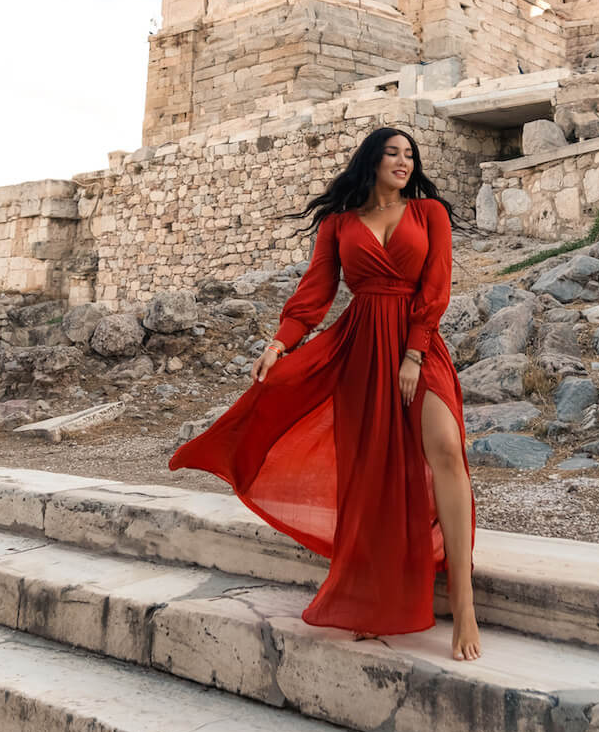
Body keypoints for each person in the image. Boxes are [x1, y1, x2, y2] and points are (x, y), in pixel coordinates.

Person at [168, 126, 481, 661]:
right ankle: (370, 600)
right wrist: (280, 342)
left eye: (410, 155)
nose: (404, 162)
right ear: (372, 161)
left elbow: (437, 287)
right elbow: (315, 291)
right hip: (360, 350)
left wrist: (414, 352)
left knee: (446, 452)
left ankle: (465, 602)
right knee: (372, 475)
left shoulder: (430, 214)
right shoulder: (338, 224)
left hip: (417, 346)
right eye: (392, 154)